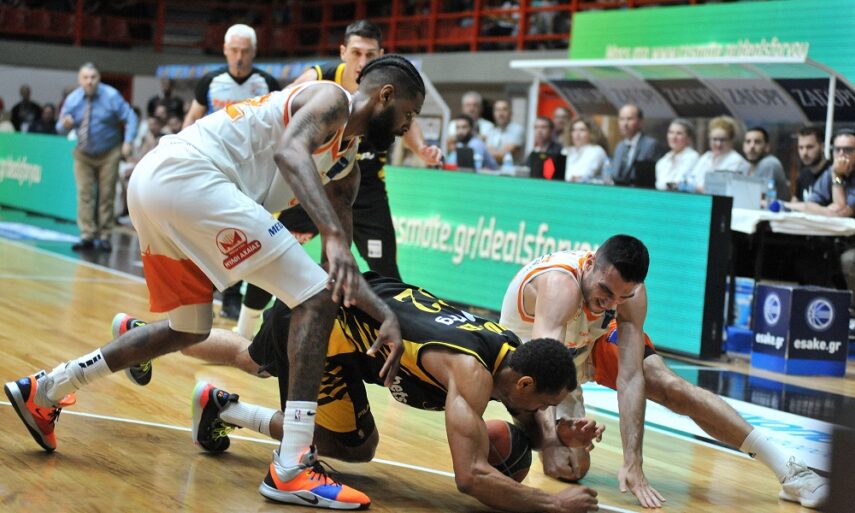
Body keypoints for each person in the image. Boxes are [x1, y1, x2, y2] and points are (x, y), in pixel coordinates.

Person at [4, 54, 430, 510]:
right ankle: (291, 467)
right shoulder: (331, 99)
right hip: (189, 176)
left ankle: (46, 389)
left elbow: (337, 273)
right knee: (314, 297)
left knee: (188, 329)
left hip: (157, 185)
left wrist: (383, 314)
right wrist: (330, 238)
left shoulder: (345, 167)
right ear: (385, 96)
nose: (408, 126)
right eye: (408, 113)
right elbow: (290, 153)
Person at [116, 273, 602, 513]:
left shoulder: (509, 351)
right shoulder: (471, 373)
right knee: (356, 446)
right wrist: (552, 504)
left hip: (341, 302)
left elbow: (518, 407)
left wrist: (553, 437)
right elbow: (470, 477)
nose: (541, 413)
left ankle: (144, 337)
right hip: (324, 328)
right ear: (524, 383)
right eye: (544, 405)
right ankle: (226, 410)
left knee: (252, 358)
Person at [498, 234, 829, 509]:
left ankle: (791, 471)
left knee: (669, 386)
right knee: (570, 466)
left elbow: (631, 379)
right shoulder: (561, 285)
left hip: (585, 347)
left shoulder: (629, 295)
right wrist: (551, 439)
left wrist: (633, 460)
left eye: (621, 297)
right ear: (590, 265)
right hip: (532, 367)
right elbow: (544, 370)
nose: (610, 304)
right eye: (605, 292)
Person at [234, 20, 442, 339]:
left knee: (385, 268)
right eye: (356, 53)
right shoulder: (320, 81)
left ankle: (395, 337)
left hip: (365, 186)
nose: (362, 60)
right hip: (312, 177)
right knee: (277, 252)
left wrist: (421, 150)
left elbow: (406, 120)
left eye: (370, 54)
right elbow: (284, 118)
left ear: (380, 54)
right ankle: (246, 328)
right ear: (343, 52)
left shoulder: (389, 88)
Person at [182, 23, 281, 320]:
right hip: (214, 166)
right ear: (225, 50)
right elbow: (192, 119)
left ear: (254, 52)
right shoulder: (210, 81)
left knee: (240, 234)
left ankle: (231, 296)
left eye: (245, 51)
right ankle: (200, 292)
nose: (239, 57)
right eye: (234, 50)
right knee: (207, 231)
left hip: (254, 170)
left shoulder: (267, 82)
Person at [55, 62, 138, 253]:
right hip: (83, 153)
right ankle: (87, 235)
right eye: (85, 78)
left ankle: (105, 236)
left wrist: (128, 141)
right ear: (80, 80)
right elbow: (59, 128)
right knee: (85, 194)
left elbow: (130, 117)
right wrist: (65, 125)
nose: (89, 81)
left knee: (106, 195)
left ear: (99, 78)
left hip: (109, 152)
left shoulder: (111, 96)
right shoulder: (73, 100)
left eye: (93, 77)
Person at [784, 130, 855, 314]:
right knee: (807, 255)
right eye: (837, 150)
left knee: (849, 260)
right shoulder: (830, 172)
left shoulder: (835, 172)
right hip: (839, 239)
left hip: (851, 243)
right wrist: (826, 210)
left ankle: (852, 312)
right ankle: (826, 312)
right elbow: (808, 204)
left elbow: (841, 211)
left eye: (848, 150)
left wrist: (837, 177)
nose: (841, 155)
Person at [687, 115, 749, 193]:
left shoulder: (736, 161)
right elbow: (691, 180)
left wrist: (695, 188)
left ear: (731, 140)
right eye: (714, 139)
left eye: (723, 140)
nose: (718, 144)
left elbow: (721, 190)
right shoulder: (706, 157)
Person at [606, 104, 664, 186]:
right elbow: (614, 174)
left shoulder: (651, 145)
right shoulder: (620, 146)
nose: (625, 123)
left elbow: (650, 178)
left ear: (640, 122)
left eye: (629, 119)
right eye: (621, 119)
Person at [743, 126, 790, 201]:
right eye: (748, 142)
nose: (752, 146)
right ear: (743, 146)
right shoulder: (744, 166)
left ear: (767, 147)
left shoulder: (770, 164)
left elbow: (764, 199)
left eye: (757, 142)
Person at [654, 118, 699, 191]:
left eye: (679, 133)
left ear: (688, 138)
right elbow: (659, 184)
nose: (674, 137)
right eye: (671, 132)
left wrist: (669, 185)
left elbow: (680, 184)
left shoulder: (692, 157)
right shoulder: (662, 161)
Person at [562, 116, 607, 182]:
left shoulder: (597, 150)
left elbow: (585, 174)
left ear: (591, 133)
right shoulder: (566, 150)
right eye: (574, 130)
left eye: (582, 130)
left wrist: (572, 178)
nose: (577, 134)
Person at [794, 125, 829, 202]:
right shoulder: (803, 174)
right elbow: (795, 201)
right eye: (801, 148)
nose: (804, 153)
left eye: (809, 147)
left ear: (822, 147)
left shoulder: (832, 172)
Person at [486, 99, 526, 164]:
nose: (500, 113)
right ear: (494, 113)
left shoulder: (517, 130)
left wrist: (489, 154)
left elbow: (502, 156)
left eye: (504, 109)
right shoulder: (492, 131)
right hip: (494, 169)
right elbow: (487, 152)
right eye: (497, 110)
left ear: (511, 113)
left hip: (513, 169)